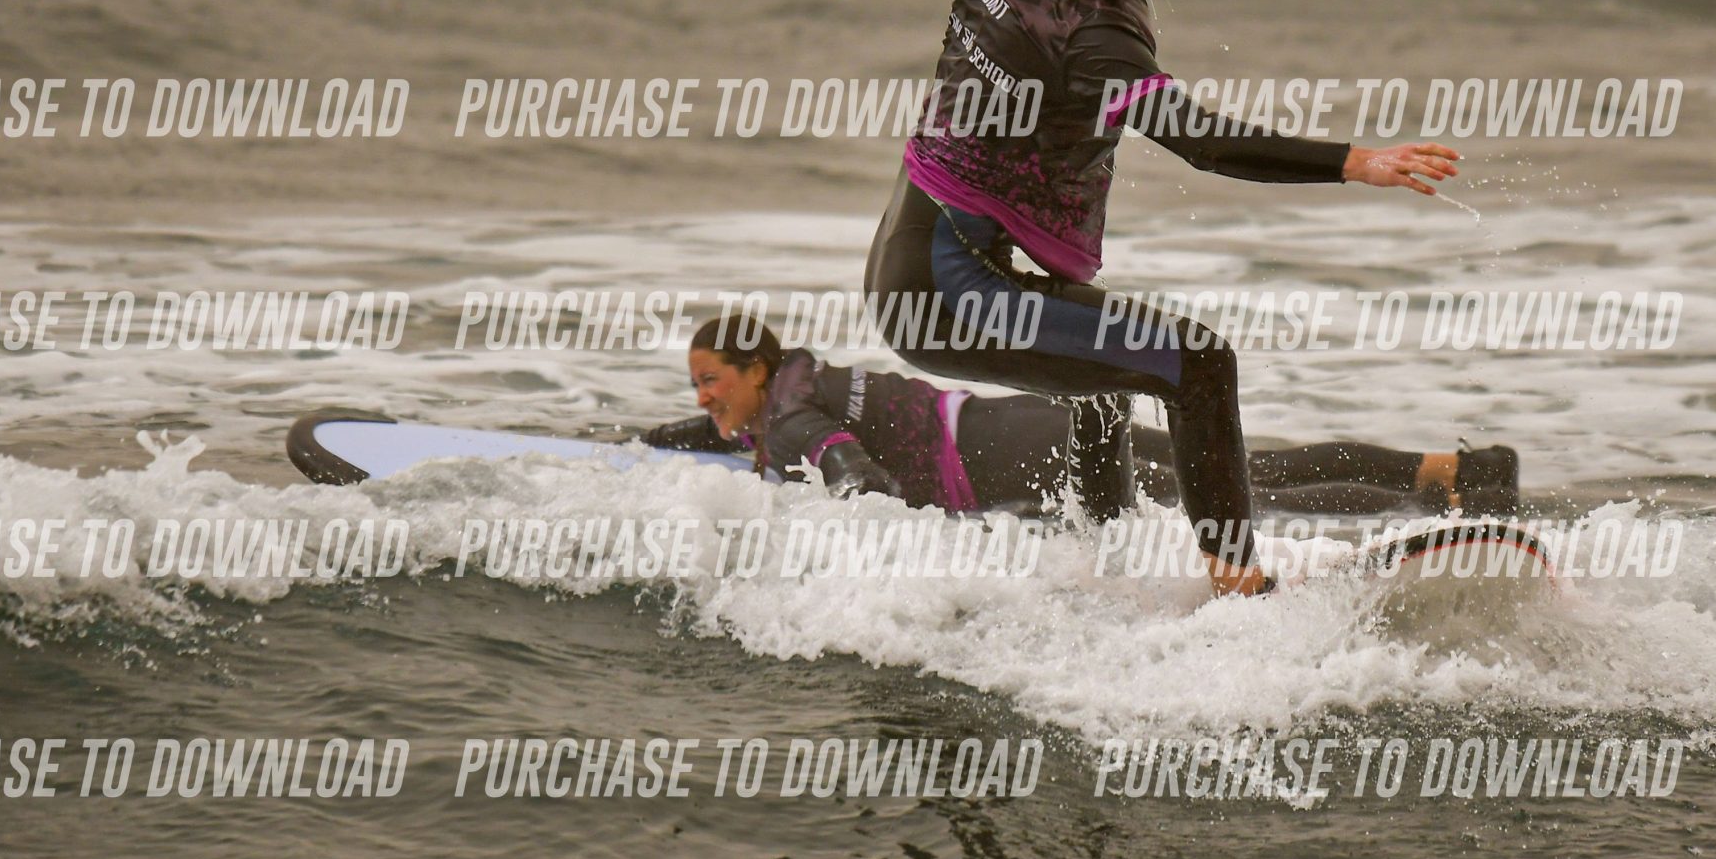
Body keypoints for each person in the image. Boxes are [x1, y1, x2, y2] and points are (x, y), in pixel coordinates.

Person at [863, 0, 1464, 595]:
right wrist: (1355, 161)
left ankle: (1101, 563)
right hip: (950, 290)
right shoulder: (1093, 35)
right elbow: (1205, 142)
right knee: (1197, 361)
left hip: (912, 257)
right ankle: (1240, 588)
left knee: (1110, 376)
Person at [643, 311, 1518, 518]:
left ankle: (1429, 511)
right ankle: (1460, 473)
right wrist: (647, 440)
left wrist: (866, 536)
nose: (703, 398)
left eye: (711, 380)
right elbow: (729, 430)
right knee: (1249, 471)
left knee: (1244, 502)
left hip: (1017, 460)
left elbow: (850, 471)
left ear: (756, 371)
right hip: (1021, 422)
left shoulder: (792, 421)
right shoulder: (800, 379)